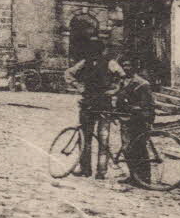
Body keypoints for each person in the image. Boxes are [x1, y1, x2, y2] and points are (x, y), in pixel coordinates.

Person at [63, 41, 117, 178]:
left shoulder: (105, 63)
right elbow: (69, 74)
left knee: (94, 139)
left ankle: (94, 170)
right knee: (92, 138)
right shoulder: (90, 63)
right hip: (93, 105)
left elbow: (121, 78)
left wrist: (114, 90)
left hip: (99, 105)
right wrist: (78, 86)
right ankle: (95, 171)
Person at [115, 62, 155, 186]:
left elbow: (148, 105)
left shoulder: (142, 84)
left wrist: (148, 120)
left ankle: (145, 178)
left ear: (135, 68)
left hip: (139, 120)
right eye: (124, 66)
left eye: (129, 65)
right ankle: (133, 176)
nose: (126, 68)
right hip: (127, 120)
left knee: (140, 148)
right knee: (127, 149)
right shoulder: (123, 82)